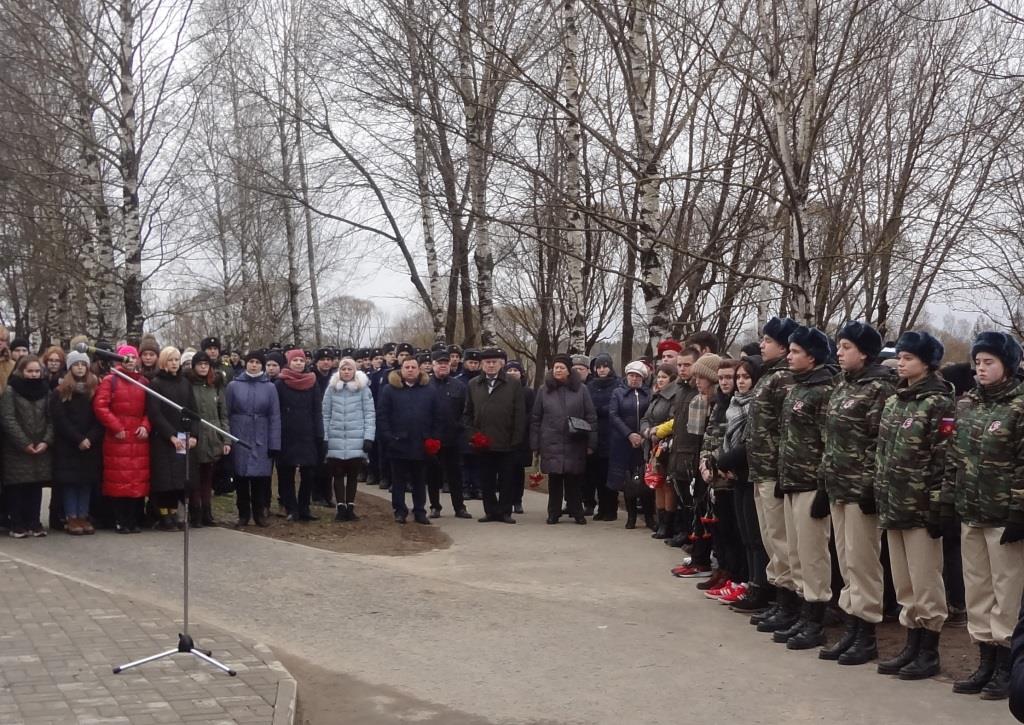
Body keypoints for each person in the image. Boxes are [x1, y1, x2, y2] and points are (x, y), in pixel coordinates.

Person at [941, 331, 1024, 699]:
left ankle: (1007, 666)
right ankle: (985, 660)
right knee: (978, 589)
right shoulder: (968, 404)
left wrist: (1019, 511)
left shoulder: (1019, 406)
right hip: (971, 511)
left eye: (989, 362)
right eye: (977, 362)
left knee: (1007, 591)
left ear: (1008, 364)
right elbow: (953, 458)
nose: (981, 369)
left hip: (1004, 515)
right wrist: (947, 501)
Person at [874, 330, 953, 680]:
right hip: (894, 504)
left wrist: (938, 504)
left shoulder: (939, 402)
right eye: (900, 358)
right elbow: (882, 455)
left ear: (927, 363)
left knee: (925, 580)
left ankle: (929, 650)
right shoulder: (895, 401)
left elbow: (944, 458)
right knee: (905, 582)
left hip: (921, 507)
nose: (901, 363)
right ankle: (911, 643)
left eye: (908, 358)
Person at [818, 321, 894, 665]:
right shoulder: (843, 385)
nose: (839, 352)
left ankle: (866, 633)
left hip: (861, 489)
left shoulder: (880, 387)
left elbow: (879, 442)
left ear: (864, 352)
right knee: (847, 560)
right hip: (838, 487)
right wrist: (824, 481)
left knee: (863, 563)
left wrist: (868, 486)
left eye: (846, 347)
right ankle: (852, 626)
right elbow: (830, 440)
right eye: (839, 346)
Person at [770, 326, 835, 650]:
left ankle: (816, 619)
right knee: (795, 552)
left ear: (812, 356)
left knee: (812, 556)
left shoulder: (824, 390)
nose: (790, 356)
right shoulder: (797, 388)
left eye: (796, 351)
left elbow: (828, 441)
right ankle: (800, 610)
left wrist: (823, 487)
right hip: (792, 480)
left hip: (811, 483)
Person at [748, 317, 800, 634]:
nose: (761, 345)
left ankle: (790, 603)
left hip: (775, 471)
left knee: (782, 539)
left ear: (782, 345)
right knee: (771, 538)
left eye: (767, 340)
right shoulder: (770, 376)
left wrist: (780, 469)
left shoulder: (785, 379)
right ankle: (781, 599)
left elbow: (785, 430)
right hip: (761, 469)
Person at [714, 356, 772, 614]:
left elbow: (752, 441)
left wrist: (726, 460)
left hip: (750, 472)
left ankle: (760, 585)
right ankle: (750, 583)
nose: (740, 382)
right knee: (745, 533)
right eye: (738, 377)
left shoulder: (757, 405)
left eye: (745, 377)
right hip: (735, 474)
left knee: (756, 536)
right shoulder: (733, 404)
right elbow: (727, 436)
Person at [658, 352, 721, 574]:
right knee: (697, 510)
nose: (697, 382)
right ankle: (699, 557)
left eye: (701, 378)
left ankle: (709, 561)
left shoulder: (717, 403)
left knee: (707, 514)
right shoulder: (696, 399)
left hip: (711, 465)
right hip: (694, 458)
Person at [699, 360, 747, 604]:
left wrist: (719, 463)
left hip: (730, 474)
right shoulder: (718, 404)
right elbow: (709, 437)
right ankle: (724, 571)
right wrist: (704, 463)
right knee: (720, 530)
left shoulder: (741, 406)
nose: (728, 382)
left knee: (734, 531)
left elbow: (736, 442)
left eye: (731, 377)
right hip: (714, 475)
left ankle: (737, 575)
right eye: (724, 378)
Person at [531, 353, 597, 525]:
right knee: (554, 480)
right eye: (555, 367)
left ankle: (577, 512)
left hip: (575, 440)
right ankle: (553, 512)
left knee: (574, 479)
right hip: (550, 440)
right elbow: (536, 418)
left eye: (562, 367)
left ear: (569, 370)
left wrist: (591, 443)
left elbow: (591, 417)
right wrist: (535, 443)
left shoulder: (581, 389)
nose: (558, 370)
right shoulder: (543, 390)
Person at [464, 347, 526, 523]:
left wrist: (516, 439)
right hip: (483, 442)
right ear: (482, 365)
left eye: (494, 362)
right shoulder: (474, 384)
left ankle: (505, 512)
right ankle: (490, 511)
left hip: (506, 441)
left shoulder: (513, 384)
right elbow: (467, 413)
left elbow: (519, 413)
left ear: (502, 364)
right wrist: (473, 435)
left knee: (507, 479)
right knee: (487, 480)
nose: (491, 365)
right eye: (487, 362)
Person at [93, 345, 151, 534]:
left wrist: (145, 425)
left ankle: (134, 520)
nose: (130, 361)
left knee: (137, 480)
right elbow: (100, 406)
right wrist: (115, 426)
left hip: (138, 437)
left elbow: (151, 410)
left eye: (133, 357)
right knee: (119, 480)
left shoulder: (144, 382)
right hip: (118, 436)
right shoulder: (111, 380)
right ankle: (120, 520)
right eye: (126, 357)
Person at [377, 356, 439, 524]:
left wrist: (433, 439)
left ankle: (419, 511)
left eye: (413, 367)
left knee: (419, 480)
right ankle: (400, 510)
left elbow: (436, 416)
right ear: (401, 370)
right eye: (407, 367)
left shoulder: (429, 390)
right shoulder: (390, 390)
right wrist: (389, 438)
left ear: (419, 369)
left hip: (421, 443)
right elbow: (382, 416)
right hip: (398, 443)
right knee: (398, 480)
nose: (410, 370)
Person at [50, 351, 103, 535]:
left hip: (90, 443)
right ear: (70, 367)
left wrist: (90, 438)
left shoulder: (94, 390)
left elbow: (100, 417)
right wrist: (78, 438)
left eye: (83, 364)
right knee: (70, 483)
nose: (80, 367)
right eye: (76, 364)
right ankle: (71, 517)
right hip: (69, 444)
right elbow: (60, 419)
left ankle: (83, 515)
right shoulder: (61, 391)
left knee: (86, 482)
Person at [226, 351, 281, 527]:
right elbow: (226, 413)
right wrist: (228, 439)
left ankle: (259, 513)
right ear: (246, 363)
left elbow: (275, 416)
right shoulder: (234, 385)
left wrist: (274, 443)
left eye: (258, 362)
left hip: (262, 435)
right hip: (240, 433)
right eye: (251, 361)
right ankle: (243, 513)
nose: (254, 365)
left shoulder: (270, 387)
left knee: (260, 478)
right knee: (241, 477)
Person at [147, 347, 199, 531]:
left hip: (184, 437)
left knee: (179, 480)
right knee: (165, 481)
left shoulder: (185, 383)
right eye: (170, 360)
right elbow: (155, 413)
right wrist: (170, 435)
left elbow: (193, 411)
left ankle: (176, 513)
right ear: (163, 362)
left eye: (177, 359)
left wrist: (193, 434)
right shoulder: (156, 383)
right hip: (164, 438)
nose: (174, 363)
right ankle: (164, 515)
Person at [1, 355, 54, 537]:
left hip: (40, 446)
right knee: (17, 487)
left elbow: (51, 418)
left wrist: (46, 441)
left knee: (35, 486)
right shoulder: (11, 390)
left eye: (37, 371)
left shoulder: (45, 390)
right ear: (21, 371)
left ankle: (34, 522)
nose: (33, 375)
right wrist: (23, 442)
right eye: (30, 371)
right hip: (17, 448)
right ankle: (17, 523)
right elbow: (8, 418)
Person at [323, 357, 375, 521]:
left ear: (354, 371)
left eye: (349, 369)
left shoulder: (363, 389)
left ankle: (351, 506)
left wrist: (369, 437)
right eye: (343, 369)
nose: (346, 372)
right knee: (337, 474)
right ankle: (340, 507)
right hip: (336, 437)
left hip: (356, 438)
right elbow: (325, 414)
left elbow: (369, 415)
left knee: (352, 475)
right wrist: (324, 437)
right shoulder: (331, 389)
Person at [275, 349, 324, 521]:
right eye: (294, 360)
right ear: (288, 362)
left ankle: (304, 507)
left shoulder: (312, 382)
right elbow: (276, 411)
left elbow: (317, 410)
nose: (298, 363)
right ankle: (291, 508)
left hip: (307, 434)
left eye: (301, 361)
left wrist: (319, 433)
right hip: (286, 434)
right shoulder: (280, 383)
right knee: (286, 473)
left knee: (308, 473)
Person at [187, 351, 231, 527]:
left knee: (208, 477)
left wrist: (226, 439)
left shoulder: (216, 385)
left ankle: (207, 512)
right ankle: (195, 512)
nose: (203, 367)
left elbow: (223, 413)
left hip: (213, 435)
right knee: (194, 477)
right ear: (194, 366)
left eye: (206, 364)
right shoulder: (188, 384)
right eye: (200, 364)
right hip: (194, 436)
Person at [427, 350, 472, 519]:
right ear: (433, 365)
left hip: (454, 439)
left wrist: (461, 430)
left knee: (455, 475)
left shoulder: (459, 386)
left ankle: (459, 507)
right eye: (440, 363)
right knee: (433, 475)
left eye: (446, 363)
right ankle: (435, 506)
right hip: (433, 439)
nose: (443, 366)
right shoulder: (426, 385)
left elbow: (466, 411)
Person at [607, 361, 651, 524]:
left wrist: (642, 435)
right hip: (623, 442)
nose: (634, 379)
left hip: (644, 442)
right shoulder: (618, 393)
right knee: (628, 480)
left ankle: (648, 516)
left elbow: (651, 415)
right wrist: (629, 434)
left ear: (643, 378)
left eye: (637, 376)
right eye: (631, 375)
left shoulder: (649, 393)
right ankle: (631, 517)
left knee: (645, 479)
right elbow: (614, 415)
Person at [637, 364, 678, 530]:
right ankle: (660, 521)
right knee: (657, 483)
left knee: (667, 485)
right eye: (658, 377)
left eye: (664, 377)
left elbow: (673, 420)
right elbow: (645, 418)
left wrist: (656, 432)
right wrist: (646, 431)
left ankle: (667, 525)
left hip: (666, 446)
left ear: (672, 379)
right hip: (652, 444)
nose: (660, 380)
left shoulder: (673, 397)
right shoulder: (657, 396)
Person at [584, 353, 618, 518]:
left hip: (611, 433)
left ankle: (610, 508)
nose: (602, 370)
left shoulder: (618, 385)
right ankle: (600, 508)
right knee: (596, 474)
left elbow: (615, 407)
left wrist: (600, 410)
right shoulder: (590, 386)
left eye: (605, 366)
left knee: (609, 474)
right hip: (594, 433)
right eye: (599, 367)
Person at [504, 360, 535, 514]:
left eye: (515, 370)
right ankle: (506, 500)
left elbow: (532, 413)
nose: (512, 373)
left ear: (521, 373)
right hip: (504, 435)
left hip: (522, 437)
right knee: (505, 470)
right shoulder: (502, 389)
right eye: (509, 370)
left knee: (518, 470)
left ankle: (518, 500)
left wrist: (520, 424)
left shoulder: (528, 392)